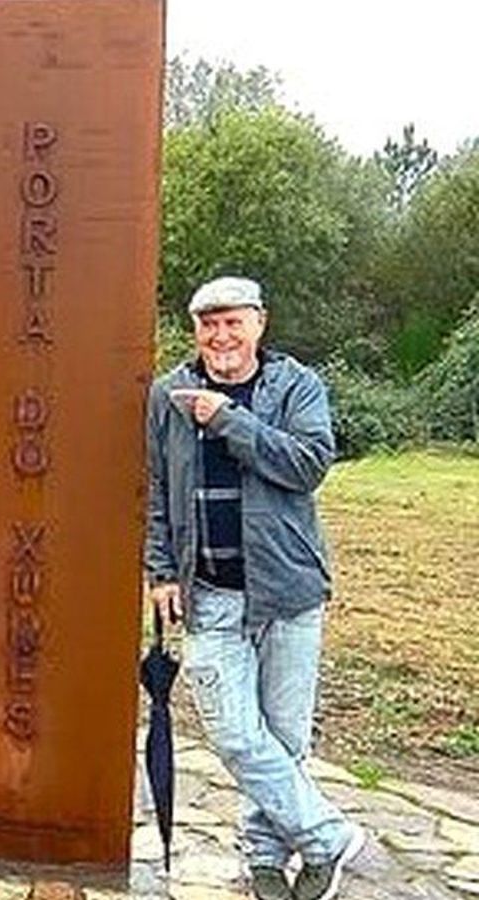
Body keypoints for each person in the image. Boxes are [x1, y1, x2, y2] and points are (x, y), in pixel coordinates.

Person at [144, 276, 366, 900]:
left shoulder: (297, 386)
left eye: (232, 322)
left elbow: (307, 465)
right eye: (208, 324)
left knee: (285, 737)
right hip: (208, 593)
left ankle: (267, 860)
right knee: (236, 733)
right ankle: (328, 837)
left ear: (259, 323)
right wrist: (160, 569)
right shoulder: (169, 394)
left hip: (289, 591)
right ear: (195, 330)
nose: (220, 335)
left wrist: (230, 422)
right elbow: (158, 488)